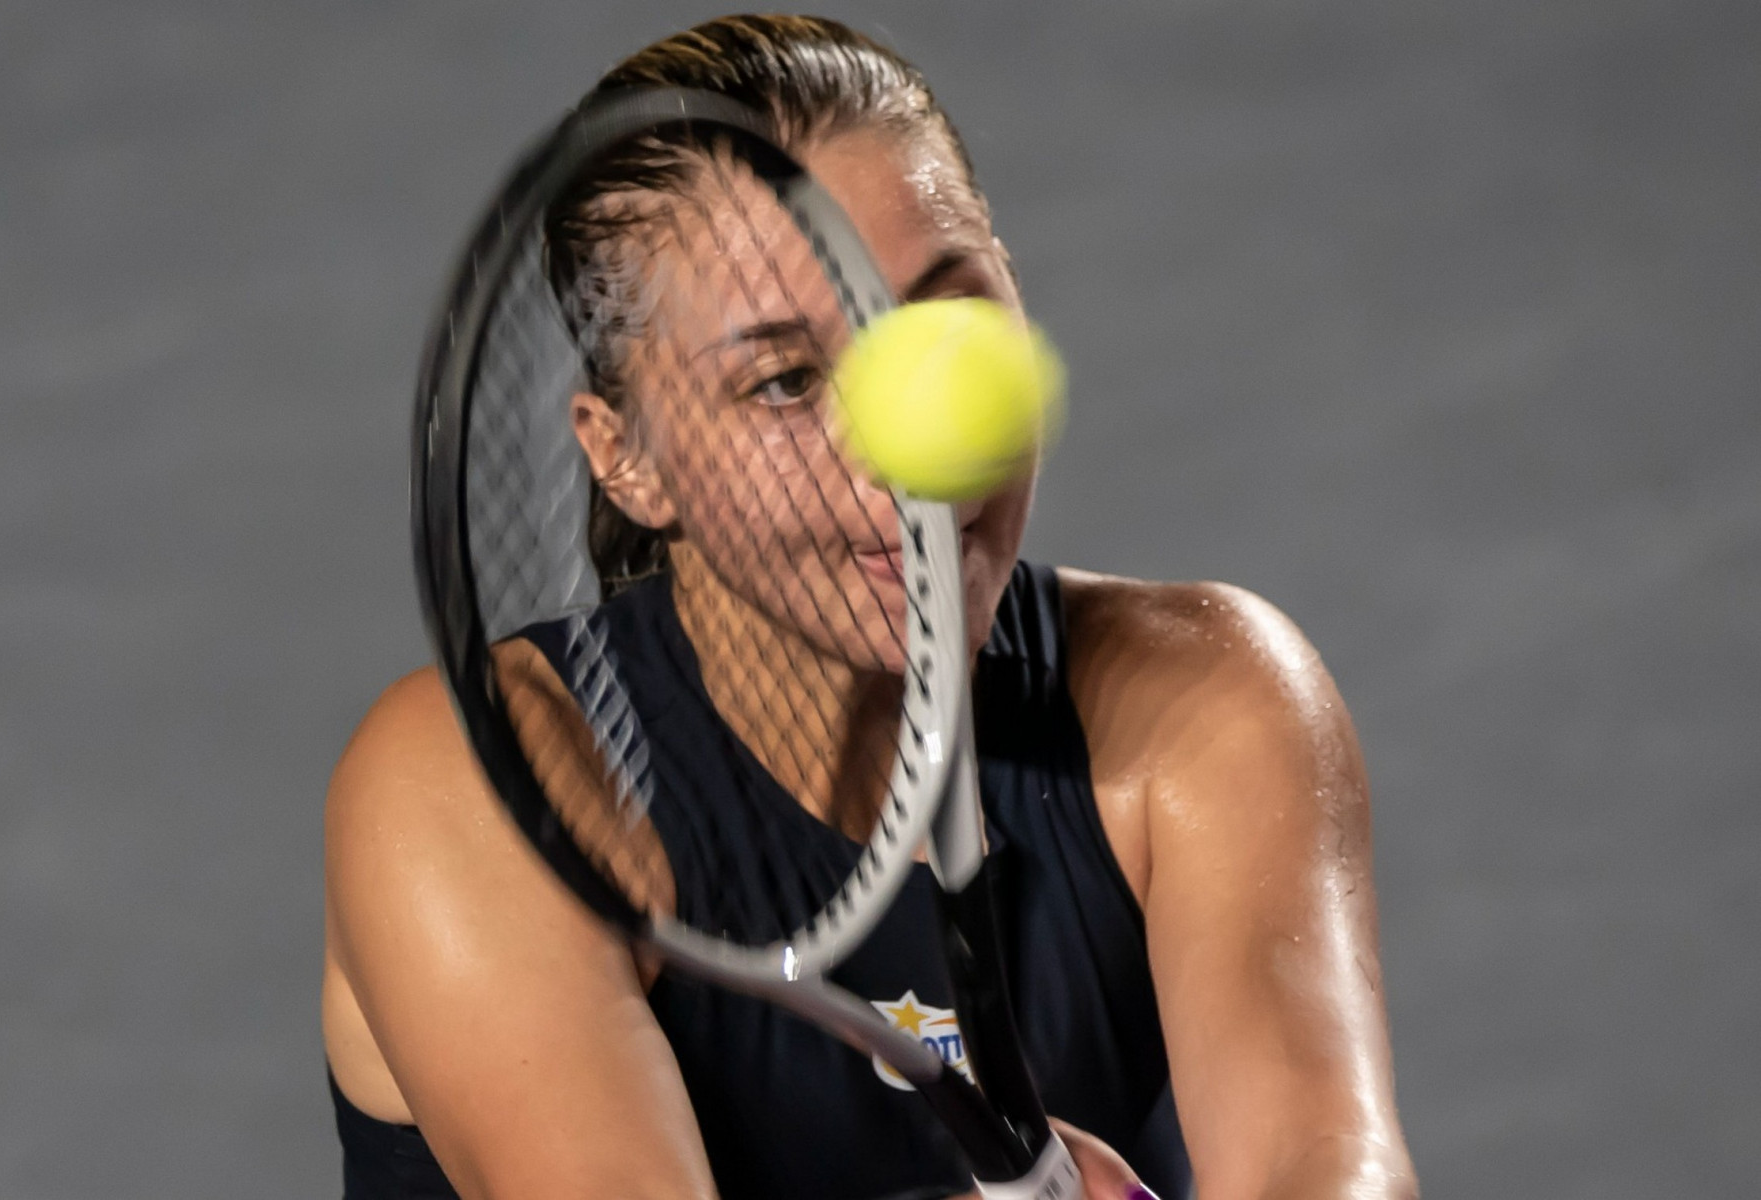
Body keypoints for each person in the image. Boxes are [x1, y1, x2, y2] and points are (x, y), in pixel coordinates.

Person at [322, 15, 1418, 1200]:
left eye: (946, 329)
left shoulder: (1208, 701)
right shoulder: (476, 786)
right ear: (627, 458)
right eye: (786, 382)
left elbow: (1328, 1164)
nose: (910, 453)